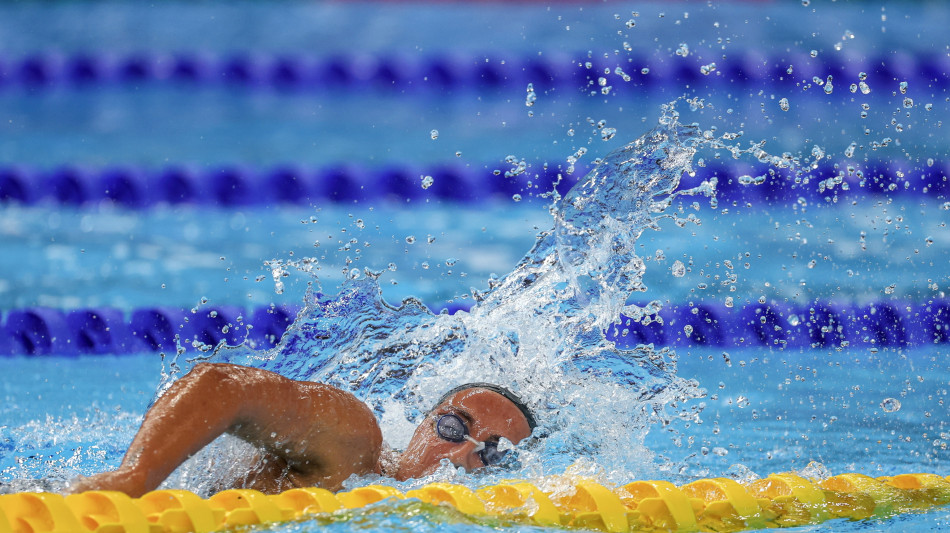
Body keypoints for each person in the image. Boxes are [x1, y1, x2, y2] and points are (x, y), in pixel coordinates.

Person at [69, 363, 536, 497]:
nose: (457, 456)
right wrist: (137, 477)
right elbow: (222, 386)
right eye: (453, 427)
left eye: (489, 453)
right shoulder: (354, 444)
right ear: (421, 425)